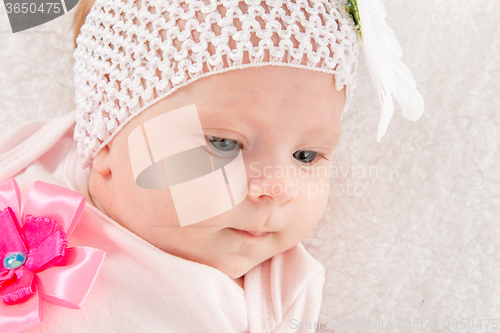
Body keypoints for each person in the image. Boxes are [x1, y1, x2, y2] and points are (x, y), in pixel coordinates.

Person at [0, 0, 422, 331]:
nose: (276, 186)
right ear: (107, 141)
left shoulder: (276, 294)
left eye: (305, 156)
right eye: (224, 144)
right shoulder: (33, 162)